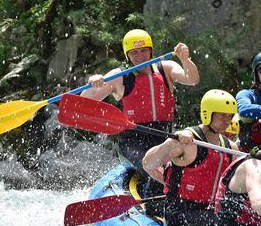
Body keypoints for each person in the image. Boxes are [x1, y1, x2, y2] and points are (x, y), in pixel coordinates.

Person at [80, 29, 199, 180]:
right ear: (127, 55)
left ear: (151, 51)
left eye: (144, 51)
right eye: (134, 52)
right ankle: (155, 198)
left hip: (164, 135)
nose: (140, 56)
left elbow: (192, 79)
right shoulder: (119, 76)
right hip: (133, 140)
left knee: (184, 168)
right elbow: (85, 102)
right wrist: (94, 84)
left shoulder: (166, 68)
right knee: (155, 170)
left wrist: (185, 59)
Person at [142, 90, 238, 226]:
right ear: (208, 113)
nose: (227, 120)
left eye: (230, 116)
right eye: (222, 115)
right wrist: (171, 142)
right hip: (180, 211)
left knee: (234, 221)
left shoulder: (230, 148)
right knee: (221, 223)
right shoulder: (187, 142)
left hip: (211, 211)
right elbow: (147, 163)